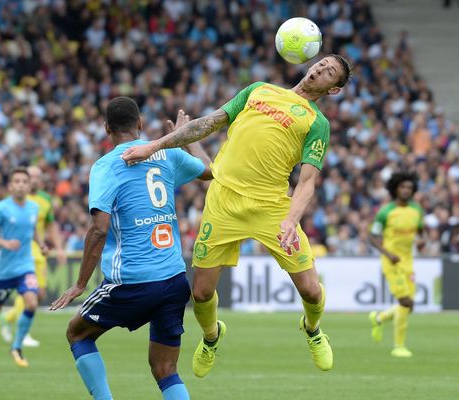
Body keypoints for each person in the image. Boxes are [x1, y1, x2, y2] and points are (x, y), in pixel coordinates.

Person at [122, 54, 352, 377]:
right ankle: (211, 337)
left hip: (272, 208)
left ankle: (312, 330)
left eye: (330, 72)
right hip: (225, 201)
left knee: (312, 291)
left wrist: (292, 218)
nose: (320, 69)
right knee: (200, 293)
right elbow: (209, 123)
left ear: (334, 91)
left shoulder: (317, 124)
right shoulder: (258, 90)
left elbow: (308, 180)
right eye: (322, 63)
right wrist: (154, 146)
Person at [50, 97, 212, 400]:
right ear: (140, 124)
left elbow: (99, 229)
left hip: (132, 282)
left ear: (106, 128)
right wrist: (187, 136)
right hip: (174, 279)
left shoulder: (106, 166)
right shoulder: (167, 152)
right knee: (165, 369)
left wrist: (81, 283)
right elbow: (210, 170)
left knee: (77, 333)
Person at [0, 167, 47, 372]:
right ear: (10, 186)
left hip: (25, 266)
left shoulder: (33, 208)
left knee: (32, 303)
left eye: (24, 181)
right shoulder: (1, 208)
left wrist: (41, 244)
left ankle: (17, 346)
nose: (21, 185)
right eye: (17, 181)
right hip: (4, 271)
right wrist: (4, 243)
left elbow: (33, 229)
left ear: (28, 185)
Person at [0, 165, 67, 347]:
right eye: (32, 177)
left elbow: (51, 226)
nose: (35, 180)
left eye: (38, 177)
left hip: (39, 250)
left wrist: (59, 248)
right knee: (29, 290)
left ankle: (9, 317)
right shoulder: (18, 199)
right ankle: (24, 333)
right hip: (22, 250)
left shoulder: (45, 200)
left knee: (40, 293)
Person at [368, 171, 425, 358]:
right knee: (405, 302)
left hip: (408, 261)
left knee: (409, 306)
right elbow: (372, 237)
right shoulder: (386, 212)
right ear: (395, 189)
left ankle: (379, 318)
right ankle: (398, 346)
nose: (406, 190)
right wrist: (388, 253)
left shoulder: (416, 210)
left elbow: (420, 232)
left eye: (409, 187)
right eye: (402, 187)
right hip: (391, 261)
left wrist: (422, 242)